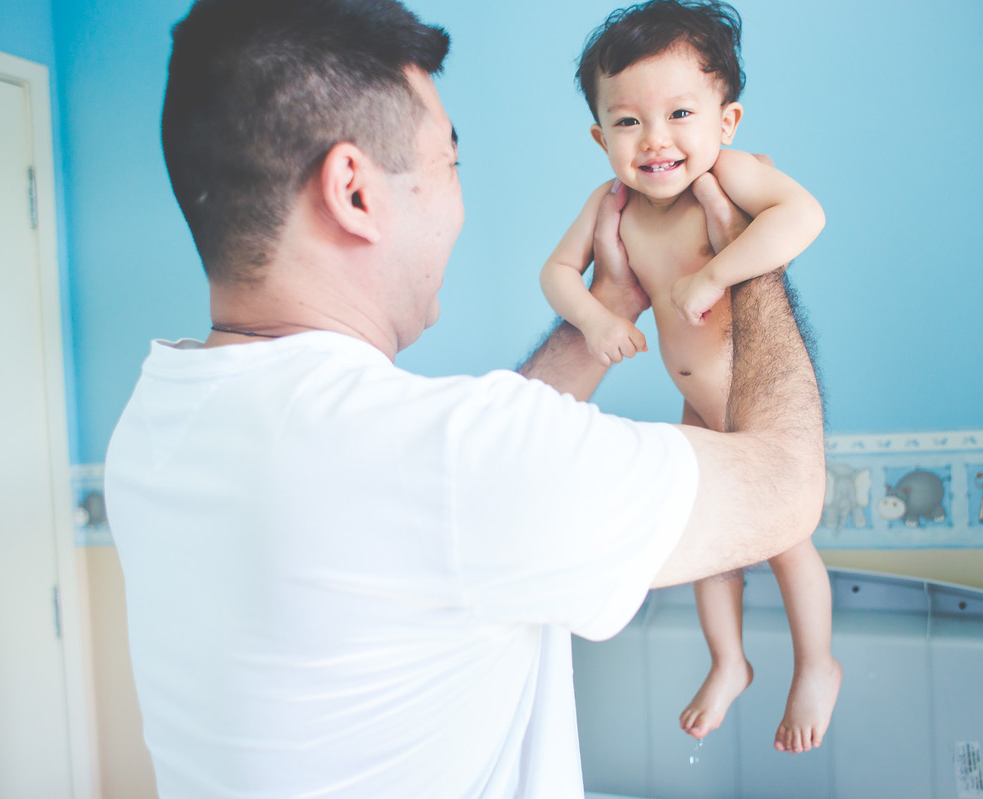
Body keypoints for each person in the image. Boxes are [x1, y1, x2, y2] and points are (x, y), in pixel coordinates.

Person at [103, 0, 825, 796]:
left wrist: (607, 306)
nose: (461, 203)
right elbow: (789, 488)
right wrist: (744, 264)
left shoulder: (157, 421)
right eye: (451, 163)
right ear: (354, 192)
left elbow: (450, 489)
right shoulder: (455, 465)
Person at [540, 0, 840, 753]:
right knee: (711, 540)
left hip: (753, 400)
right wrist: (601, 319)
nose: (657, 140)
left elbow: (804, 217)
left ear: (726, 121)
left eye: (679, 112)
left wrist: (717, 276)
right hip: (699, 405)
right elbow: (555, 273)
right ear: (599, 135)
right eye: (629, 122)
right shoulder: (613, 205)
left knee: (787, 536)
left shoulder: (734, 176)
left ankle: (816, 662)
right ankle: (729, 659)